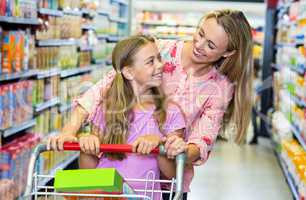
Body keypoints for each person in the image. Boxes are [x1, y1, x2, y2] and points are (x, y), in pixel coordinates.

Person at [49, 9, 253, 199]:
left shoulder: (219, 87)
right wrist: (70, 132)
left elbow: (201, 142)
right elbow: (101, 90)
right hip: (110, 186)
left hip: (168, 185)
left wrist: (172, 147)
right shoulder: (159, 49)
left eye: (211, 45)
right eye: (200, 34)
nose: (199, 45)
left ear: (227, 53)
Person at [48, 35, 186, 199]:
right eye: (151, 62)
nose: (160, 65)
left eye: (158, 58)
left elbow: (173, 175)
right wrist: (87, 145)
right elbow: (88, 173)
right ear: (128, 72)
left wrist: (160, 145)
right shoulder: (106, 109)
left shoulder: (171, 112)